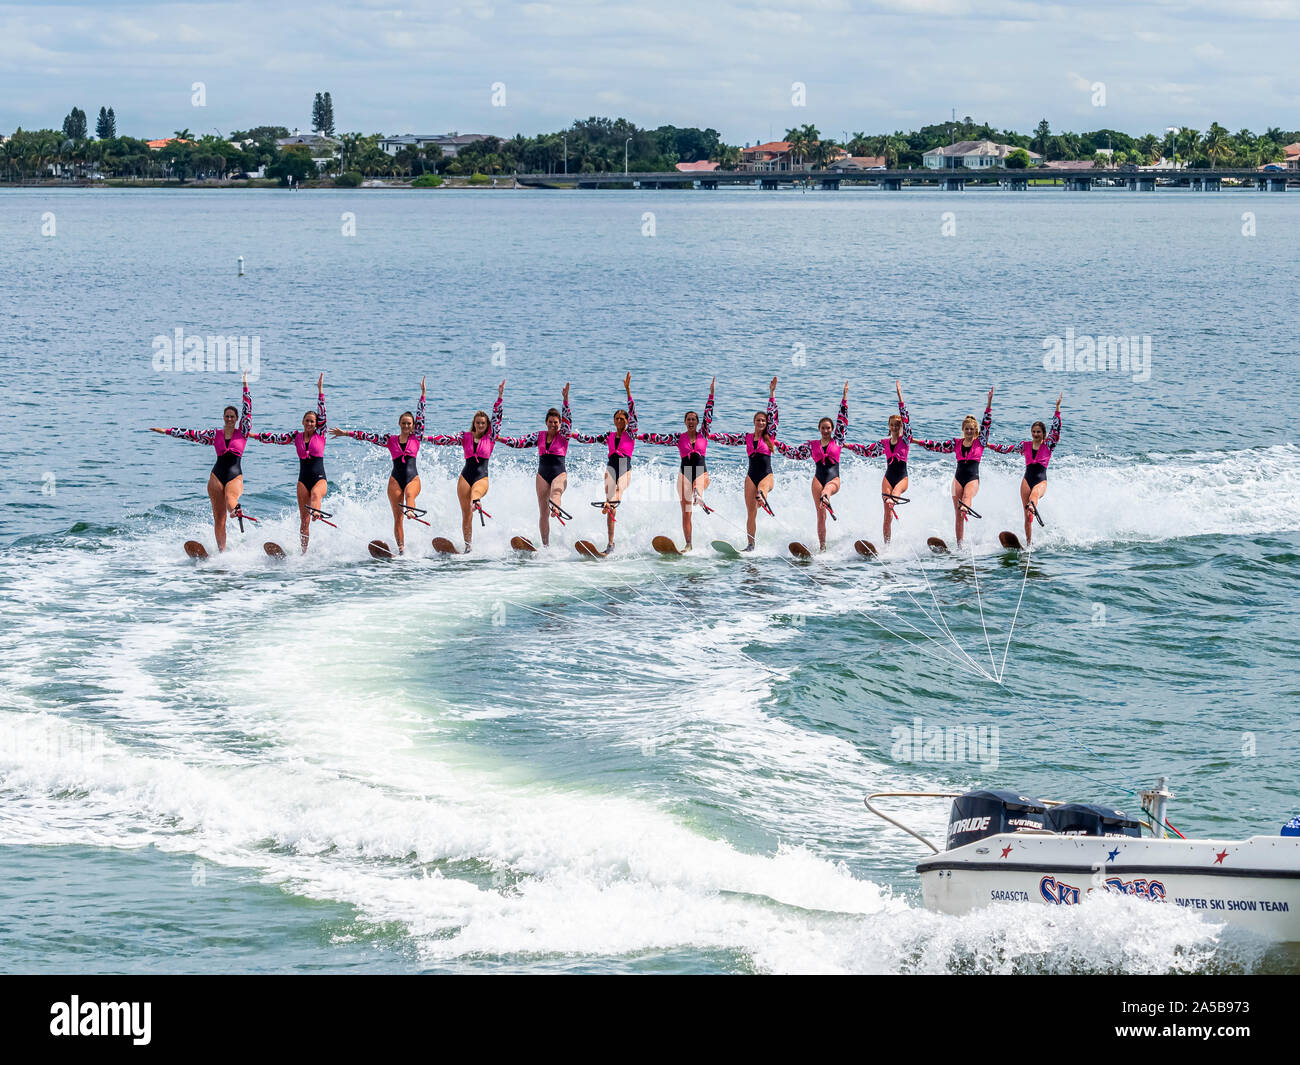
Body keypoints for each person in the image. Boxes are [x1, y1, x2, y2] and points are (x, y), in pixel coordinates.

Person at [149, 372, 252, 552]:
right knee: (219, 518)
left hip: (235, 474)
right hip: (216, 475)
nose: (229, 419)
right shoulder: (214, 435)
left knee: (230, 499)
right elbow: (191, 435)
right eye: (226, 416)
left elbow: (248, 409)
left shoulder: (242, 432)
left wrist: (245, 386)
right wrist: (166, 431)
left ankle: (236, 510)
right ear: (223, 418)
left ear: (237, 419)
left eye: (232, 416)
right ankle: (222, 552)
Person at [330, 379, 426, 554]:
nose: (406, 426)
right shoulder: (390, 440)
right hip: (395, 479)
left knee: (410, 495)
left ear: (413, 426)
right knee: (397, 517)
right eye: (403, 423)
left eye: (409, 423)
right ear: (399, 424)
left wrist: (423, 396)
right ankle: (401, 550)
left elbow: (421, 416)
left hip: (413, 477)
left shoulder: (416, 437)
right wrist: (345, 433)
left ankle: (411, 511)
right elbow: (367, 436)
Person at [250, 374, 328, 552]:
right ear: (303, 422)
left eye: (312, 421)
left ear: (317, 424)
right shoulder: (295, 436)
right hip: (302, 480)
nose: (309, 423)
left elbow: (322, 412)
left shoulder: (320, 434)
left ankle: (317, 511)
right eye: (307, 420)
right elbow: (275, 438)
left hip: (319, 478)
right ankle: (303, 552)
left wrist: (320, 391)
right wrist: (254, 435)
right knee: (303, 520)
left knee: (316, 496)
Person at [910, 387, 996, 549]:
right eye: (967, 429)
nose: (969, 431)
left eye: (972, 429)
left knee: (966, 500)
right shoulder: (955, 443)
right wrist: (916, 442)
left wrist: (989, 403)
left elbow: (986, 424)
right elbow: (935, 446)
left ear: (975, 431)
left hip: (972, 479)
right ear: (963, 430)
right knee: (958, 514)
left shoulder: (981, 442)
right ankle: (960, 546)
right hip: (957, 479)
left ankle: (966, 508)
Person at [424, 382, 505, 552]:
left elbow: (497, 417)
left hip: (481, 477)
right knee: (466, 515)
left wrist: (499, 397)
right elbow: (444, 439)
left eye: (483, 423)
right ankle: (468, 547)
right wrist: (424, 438)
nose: (480, 425)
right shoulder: (464, 436)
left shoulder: (491, 436)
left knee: (475, 495)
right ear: (474, 423)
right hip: (465, 476)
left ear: (487, 424)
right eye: (478, 423)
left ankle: (477, 502)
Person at [637, 378, 715, 550]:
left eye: (694, 419)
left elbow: (708, 415)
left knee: (698, 486)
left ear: (698, 422)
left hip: (701, 471)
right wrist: (640, 437)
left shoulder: (704, 433)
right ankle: (688, 544)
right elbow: (658, 438)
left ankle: (698, 495)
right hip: (684, 472)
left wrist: (711, 395)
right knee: (686, 513)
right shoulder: (679, 438)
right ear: (685, 422)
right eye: (688, 419)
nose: (691, 421)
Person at [497, 384, 574, 548]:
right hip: (542, 475)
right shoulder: (538, 436)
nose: (553, 424)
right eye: (551, 422)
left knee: (556, 492)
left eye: (556, 422)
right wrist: (500, 439)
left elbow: (568, 419)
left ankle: (556, 508)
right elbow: (519, 442)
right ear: (546, 422)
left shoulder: (564, 435)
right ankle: (546, 546)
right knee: (543, 513)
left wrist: (565, 399)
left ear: (560, 424)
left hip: (559, 473)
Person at [775, 383, 848, 551]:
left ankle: (826, 497)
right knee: (820, 516)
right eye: (823, 428)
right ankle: (822, 547)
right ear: (819, 429)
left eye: (828, 428)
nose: (826, 430)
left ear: (832, 429)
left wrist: (844, 398)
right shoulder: (811, 445)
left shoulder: (838, 441)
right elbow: (794, 453)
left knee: (826, 491)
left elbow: (843, 420)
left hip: (833, 479)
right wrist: (778, 444)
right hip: (817, 480)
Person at [570, 373, 636, 554]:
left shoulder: (631, 433)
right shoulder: (609, 435)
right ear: (614, 421)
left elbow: (633, 413)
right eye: (617, 419)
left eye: (623, 419)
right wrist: (574, 435)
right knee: (610, 504)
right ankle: (610, 543)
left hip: (625, 466)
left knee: (617, 493)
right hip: (611, 466)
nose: (620, 421)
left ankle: (610, 506)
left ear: (627, 421)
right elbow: (590, 439)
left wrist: (628, 390)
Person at [710, 376, 779, 551]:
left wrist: (772, 394)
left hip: (766, 476)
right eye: (758, 421)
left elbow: (774, 415)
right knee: (751, 513)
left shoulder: (770, 435)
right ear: (754, 423)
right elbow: (729, 439)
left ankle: (762, 498)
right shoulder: (746, 437)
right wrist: (711, 436)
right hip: (750, 476)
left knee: (760, 492)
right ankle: (750, 545)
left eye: (764, 421)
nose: (761, 423)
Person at [987, 393, 1062, 545]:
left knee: (1033, 497)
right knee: (1027, 515)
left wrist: (1057, 409)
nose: (1035, 434)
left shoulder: (1048, 444)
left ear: (1043, 434)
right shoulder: (1024, 445)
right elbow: (1007, 449)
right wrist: (990, 446)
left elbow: (1056, 429)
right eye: (1034, 432)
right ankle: (1028, 543)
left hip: (1041, 481)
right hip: (1027, 479)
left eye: (1038, 432)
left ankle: (1032, 506)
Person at [845, 380, 911, 544]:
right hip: (888, 478)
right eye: (892, 425)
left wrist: (899, 395)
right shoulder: (884, 443)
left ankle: (892, 499)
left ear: (901, 427)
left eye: (897, 425)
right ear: (889, 427)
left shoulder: (906, 439)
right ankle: (886, 546)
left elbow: (906, 418)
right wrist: (848, 446)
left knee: (893, 497)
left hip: (902, 478)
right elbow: (867, 451)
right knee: (887, 515)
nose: (895, 427)